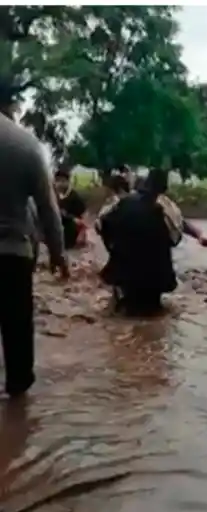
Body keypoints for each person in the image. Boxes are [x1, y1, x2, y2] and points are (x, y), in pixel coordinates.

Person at [0, 78, 67, 398]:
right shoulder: (26, 145)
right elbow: (48, 208)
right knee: (17, 327)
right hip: (13, 253)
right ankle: (17, 396)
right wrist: (58, 254)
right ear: (11, 105)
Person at [98, 168, 183, 316]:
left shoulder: (123, 204)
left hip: (123, 273)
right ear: (164, 188)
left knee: (120, 313)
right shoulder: (167, 208)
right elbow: (176, 237)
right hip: (157, 277)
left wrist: (111, 247)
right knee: (155, 315)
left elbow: (100, 224)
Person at [52, 168, 88, 249]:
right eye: (57, 181)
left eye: (63, 181)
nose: (60, 184)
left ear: (68, 182)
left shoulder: (74, 196)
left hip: (69, 227)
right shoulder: (52, 195)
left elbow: (82, 215)